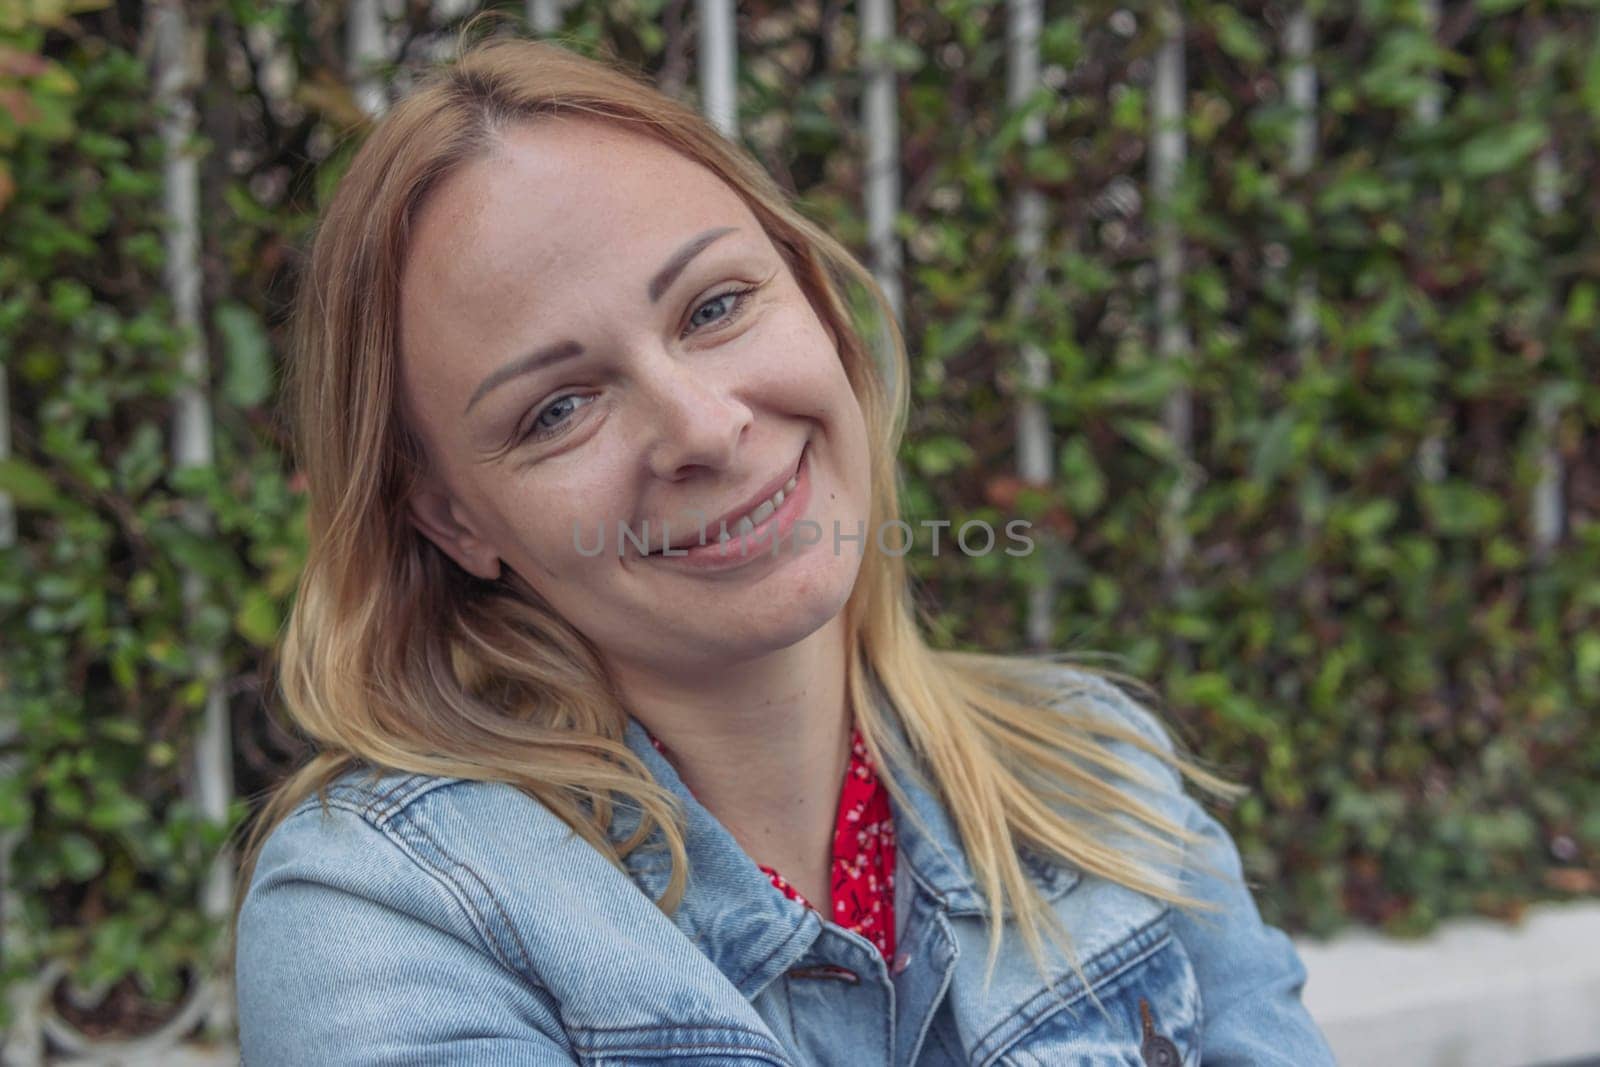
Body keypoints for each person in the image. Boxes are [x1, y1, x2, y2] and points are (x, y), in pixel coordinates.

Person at [229, 33, 1336, 1066]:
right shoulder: (387, 913)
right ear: (453, 519)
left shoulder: (1097, 777)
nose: (705, 427)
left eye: (714, 306)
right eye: (556, 408)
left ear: (816, 300)